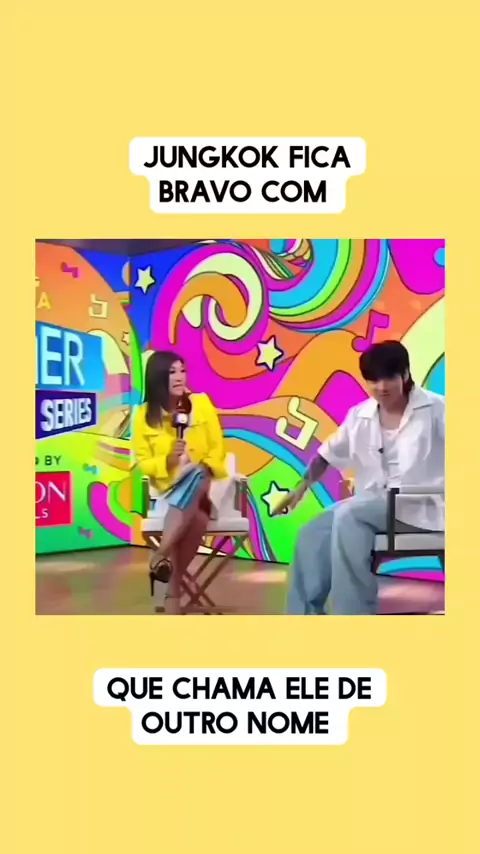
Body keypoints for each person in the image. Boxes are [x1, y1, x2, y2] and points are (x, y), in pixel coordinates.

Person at [274, 340, 445, 616]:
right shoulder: (359, 415)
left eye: (388, 378)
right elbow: (327, 455)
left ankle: (354, 616)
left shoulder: (438, 409)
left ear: (405, 374)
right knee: (311, 532)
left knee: (350, 515)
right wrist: (299, 489)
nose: (381, 387)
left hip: (423, 504)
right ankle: (303, 618)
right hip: (374, 503)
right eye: (373, 380)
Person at [132, 351, 227, 614]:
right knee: (197, 521)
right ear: (157, 377)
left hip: (205, 483)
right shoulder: (144, 415)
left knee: (198, 474)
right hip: (169, 490)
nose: (179, 377)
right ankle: (173, 591)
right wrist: (168, 460)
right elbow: (143, 461)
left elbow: (217, 447)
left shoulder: (201, 404)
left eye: (182, 371)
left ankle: (159, 555)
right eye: (172, 372)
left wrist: (204, 465)